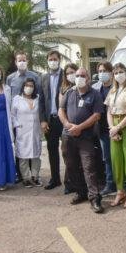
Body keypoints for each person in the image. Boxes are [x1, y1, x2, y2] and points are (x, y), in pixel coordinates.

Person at [59, 67, 105, 214]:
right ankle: (80, 192)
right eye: (77, 75)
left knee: (89, 167)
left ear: (88, 78)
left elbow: (97, 115)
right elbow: (61, 110)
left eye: (82, 75)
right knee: (71, 165)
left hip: (86, 137)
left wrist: (80, 127)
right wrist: (67, 124)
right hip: (68, 136)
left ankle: (94, 198)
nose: (79, 77)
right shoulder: (70, 92)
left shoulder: (95, 94)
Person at [105, 63, 126, 208]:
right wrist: (112, 128)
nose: (118, 74)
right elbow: (108, 111)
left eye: (121, 71)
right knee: (116, 160)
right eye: (116, 72)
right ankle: (120, 191)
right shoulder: (113, 90)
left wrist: (119, 127)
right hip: (114, 125)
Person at [6, 52, 41, 183]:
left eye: (24, 60)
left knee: (34, 149)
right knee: (20, 149)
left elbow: (39, 95)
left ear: (27, 61)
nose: (22, 62)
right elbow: (8, 97)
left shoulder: (35, 76)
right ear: (15, 62)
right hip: (19, 120)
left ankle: (34, 176)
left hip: (33, 122)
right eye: (19, 60)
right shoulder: (10, 78)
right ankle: (22, 176)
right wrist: (15, 123)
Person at [38, 50, 63, 190]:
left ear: (59, 60)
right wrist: (42, 120)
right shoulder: (43, 78)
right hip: (50, 120)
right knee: (52, 150)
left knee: (68, 150)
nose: (53, 61)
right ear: (47, 60)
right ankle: (55, 179)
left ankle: (72, 180)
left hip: (64, 119)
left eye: (55, 59)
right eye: (50, 59)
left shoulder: (67, 75)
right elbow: (41, 100)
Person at [12, 78, 43, 187]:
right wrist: (17, 125)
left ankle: (35, 176)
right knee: (23, 156)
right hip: (22, 131)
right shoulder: (17, 99)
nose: (29, 88)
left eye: (31, 86)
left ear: (34, 88)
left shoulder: (38, 98)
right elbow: (13, 115)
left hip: (35, 131)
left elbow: (41, 113)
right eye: (27, 85)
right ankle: (26, 178)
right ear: (23, 86)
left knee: (36, 155)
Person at [92, 61, 116, 196]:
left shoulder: (117, 87)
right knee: (106, 157)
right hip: (101, 128)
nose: (102, 73)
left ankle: (122, 184)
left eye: (105, 71)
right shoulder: (96, 88)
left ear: (111, 72)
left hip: (116, 127)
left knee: (118, 157)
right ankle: (109, 183)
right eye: (100, 71)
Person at [59, 63, 79, 195]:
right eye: (68, 73)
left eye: (73, 72)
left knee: (79, 157)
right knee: (68, 157)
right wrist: (67, 124)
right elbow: (61, 109)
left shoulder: (82, 87)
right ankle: (68, 183)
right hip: (67, 128)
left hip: (81, 127)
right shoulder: (63, 89)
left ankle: (79, 184)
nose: (70, 75)